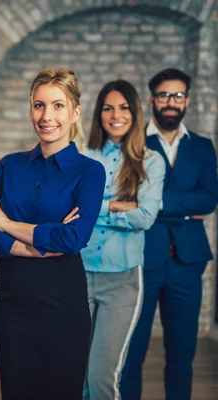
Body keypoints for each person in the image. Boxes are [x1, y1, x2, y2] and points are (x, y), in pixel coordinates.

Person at [0, 69, 105, 399]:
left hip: (63, 303)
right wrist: (38, 244)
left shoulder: (90, 172)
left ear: (75, 112)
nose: (46, 116)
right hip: (12, 302)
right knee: (16, 391)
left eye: (58, 106)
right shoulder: (9, 165)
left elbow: (73, 238)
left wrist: (7, 224)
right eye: (39, 105)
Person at [121, 69, 218, 400]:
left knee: (182, 354)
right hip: (142, 258)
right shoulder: (133, 143)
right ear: (152, 100)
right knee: (131, 352)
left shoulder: (203, 148)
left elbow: (209, 198)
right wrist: (182, 208)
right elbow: (126, 199)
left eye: (178, 96)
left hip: (187, 262)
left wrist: (155, 203)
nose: (171, 102)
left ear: (187, 100)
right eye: (164, 95)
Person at [81, 80, 165, 400]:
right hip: (78, 275)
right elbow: (72, 213)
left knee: (103, 378)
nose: (115, 115)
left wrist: (96, 209)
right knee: (75, 374)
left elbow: (145, 217)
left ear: (135, 112)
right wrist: (118, 206)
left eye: (124, 107)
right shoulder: (84, 157)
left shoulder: (151, 161)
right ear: (99, 114)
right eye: (107, 108)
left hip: (123, 280)